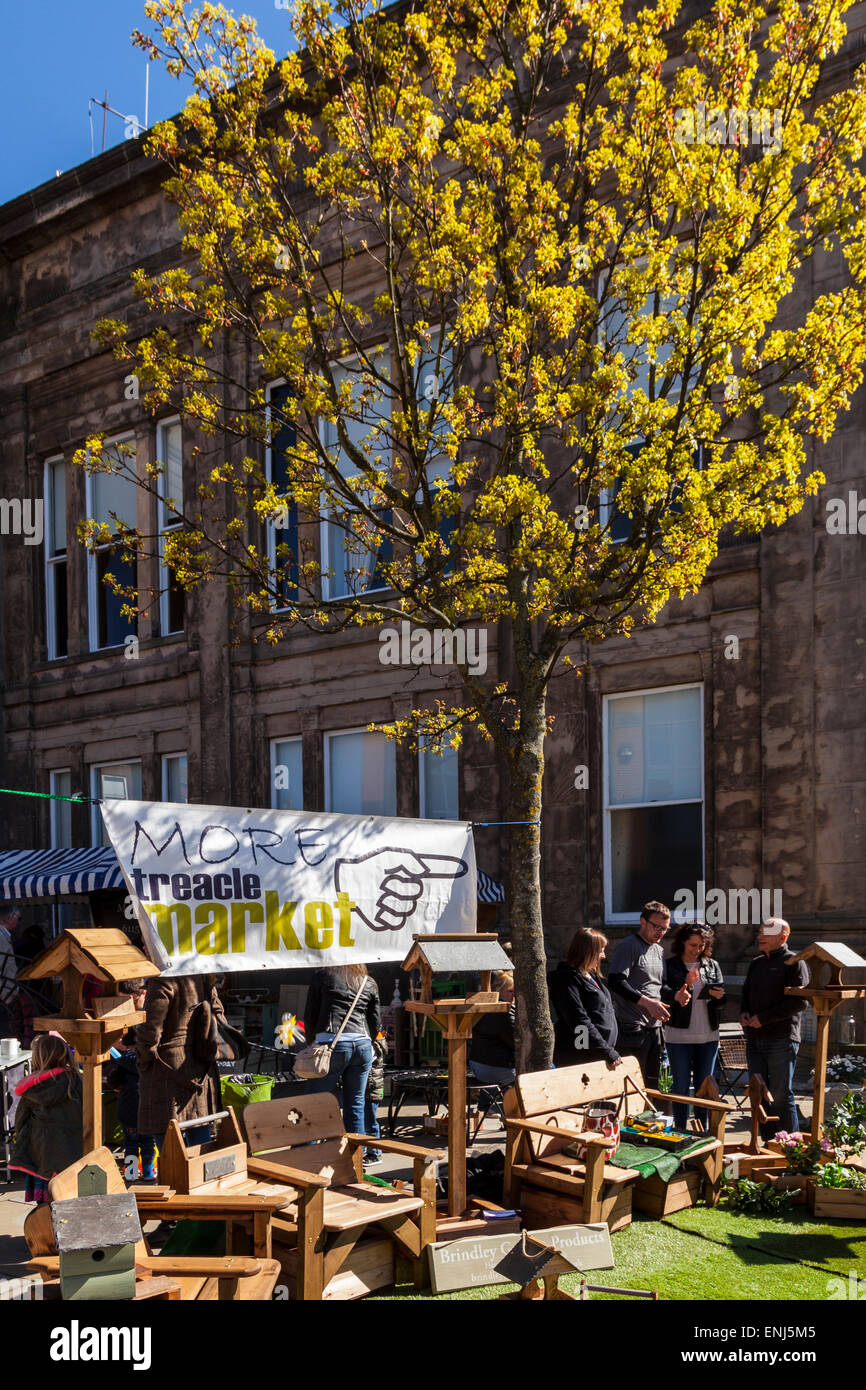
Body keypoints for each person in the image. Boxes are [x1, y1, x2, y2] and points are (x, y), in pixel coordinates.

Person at [136, 974, 226, 1156]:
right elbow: (219, 1016)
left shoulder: (163, 980)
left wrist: (142, 1061)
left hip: (167, 1069)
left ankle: (176, 1183)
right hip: (201, 1065)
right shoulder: (203, 976)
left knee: (168, 1137)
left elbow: (151, 1032)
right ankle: (201, 1181)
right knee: (199, 1129)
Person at [303, 964, 381, 1166]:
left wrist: (311, 1044)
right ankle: (354, 1160)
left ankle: (305, 1159)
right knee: (355, 1104)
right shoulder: (368, 981)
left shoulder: (322, 976)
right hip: (362, 1044)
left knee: (315, 1103)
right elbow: (375, 1022)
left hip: (330, 1042)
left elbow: (310, 1014)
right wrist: (367, 1042)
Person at [740, 917, 809, 1138]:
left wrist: (764, 1018)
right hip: (755, 1038)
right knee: (758, 1093)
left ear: (783, 937)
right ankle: (768, 1142)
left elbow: (799, 1001)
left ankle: (791, 1147)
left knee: (780, 1095)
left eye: (765, 933)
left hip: (781, 1038)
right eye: (759, 932)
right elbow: (746, 995)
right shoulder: (756, 963)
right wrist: (744, 1013)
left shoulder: (794, 962)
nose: (759, 937)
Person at [663, 925, 726, 1131]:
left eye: (701, 946)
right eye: (692, 945)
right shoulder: (671, 965)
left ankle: (702, 1132)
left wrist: (719, 997)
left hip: (708, 1035)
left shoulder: (711, 965)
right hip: (679, 1035)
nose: (696, 950)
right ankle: (679, 1131)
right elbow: (663, 992)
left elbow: (720, 999)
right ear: (682, 942)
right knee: (681, 1086)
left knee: (704, 1086)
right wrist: (686, 984)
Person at [10, 1032, 83, 1203]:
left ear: (38, 1057)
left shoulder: (32, 1087)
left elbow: (20, 1122)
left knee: (45, 1204)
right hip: (75, 1152)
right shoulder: (78, 1081)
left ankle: (45, 1227)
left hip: (42, 1154)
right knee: (71, 1198)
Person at [606, 901, 671, 1089]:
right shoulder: (628, 946)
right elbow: (616, 982)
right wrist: (647, 1003)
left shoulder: (659, 950)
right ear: (643, 921)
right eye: (656, 926)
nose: (660, 932)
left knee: (653, 1086)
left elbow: (659, 988)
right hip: (632, 1028)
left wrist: (677, 996)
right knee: (632, 1086)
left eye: (665, 929)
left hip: (655, 1028)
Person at [107, 979, 157, 1181]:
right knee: (148, 1143)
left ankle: (130, 1173)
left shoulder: (123, 1062)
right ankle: (148, 1172)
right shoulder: (152, 1062)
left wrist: (117, 1086)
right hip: (148, 1109)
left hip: (128, 1112)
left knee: (130, 1143)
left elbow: (113, 1081)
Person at [550, 931, 621, 1069]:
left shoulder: (590, 975)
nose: (604, 956)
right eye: (601, 951)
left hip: (599, 1054)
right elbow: (578, 1021)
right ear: (588, 951)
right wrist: (603, 1050)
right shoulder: (567, 979)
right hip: (582, 1057)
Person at [470, 970, 516, 1085]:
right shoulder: (504, 1011)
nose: (514, 995)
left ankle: (485, 1103)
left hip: (477, 1064)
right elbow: (516, 1042)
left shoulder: (482, 1006)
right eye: (510, 991)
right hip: (498, 1068)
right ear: (497, 991)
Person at [364, 1031, 388, 1168]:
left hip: (372, 1089)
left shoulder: (374, 1044)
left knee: (370, 1121)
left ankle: (375, 1153)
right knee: (368, 1120)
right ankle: (370, 1151)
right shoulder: (376, 1040)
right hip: (372, 1088)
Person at [0, 906, 22, 1036]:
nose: (19, 921)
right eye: (18, 917)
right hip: (4, 994)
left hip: (7, 992)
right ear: (9, 917)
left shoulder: (4, 935)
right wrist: (3, 994)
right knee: (4, 1029)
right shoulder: (1, 937)